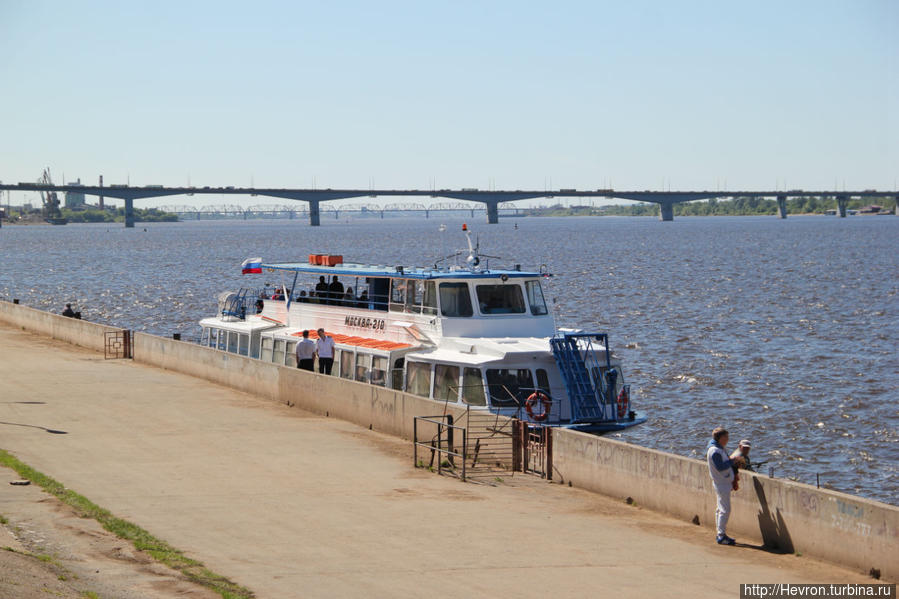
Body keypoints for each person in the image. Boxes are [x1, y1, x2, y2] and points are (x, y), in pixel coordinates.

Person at [706, 427, 744, 545]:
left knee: (720, 509)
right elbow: (721, 466)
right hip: (721, 483)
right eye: (726, 437)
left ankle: (720, 533)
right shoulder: (715, 451)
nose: (727, 439)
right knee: (725, 510)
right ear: (720, 438)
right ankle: (721, 536)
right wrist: (733, 461)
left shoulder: (718, 449)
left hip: (722, 482)